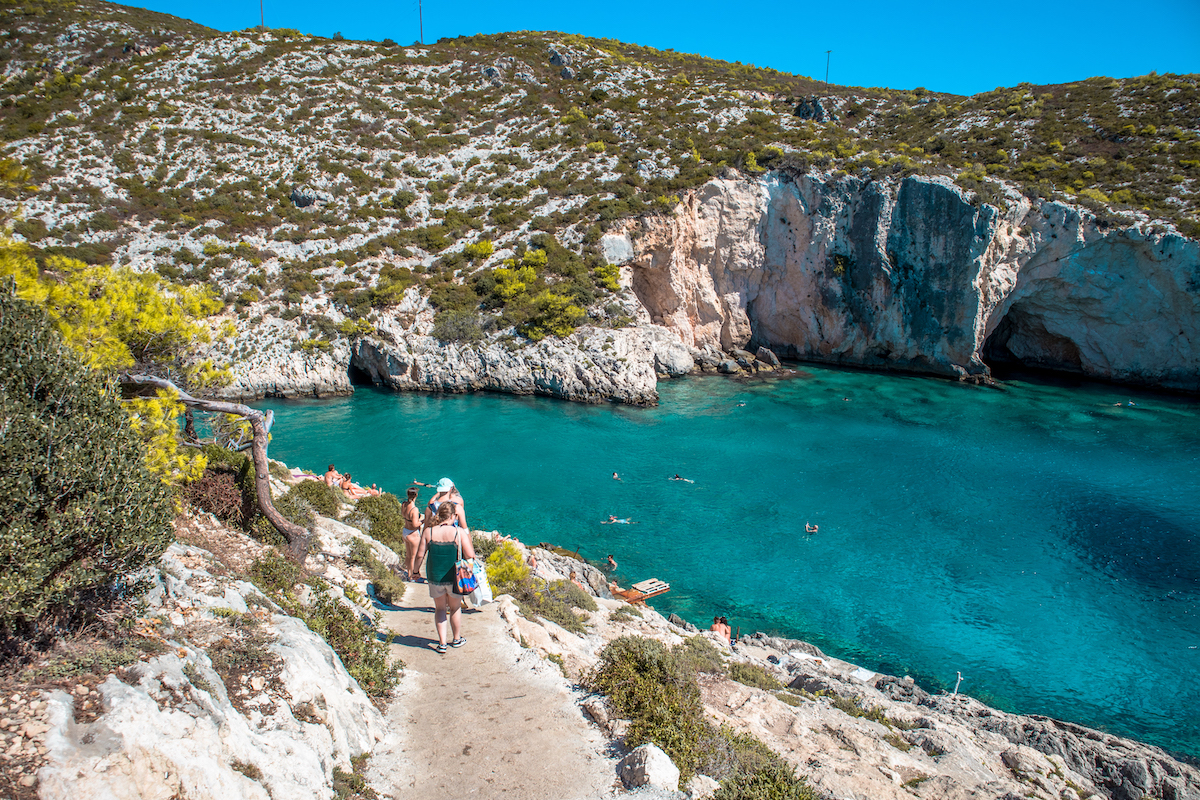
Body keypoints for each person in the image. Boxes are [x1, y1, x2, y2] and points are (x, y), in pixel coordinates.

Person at [412, 502, 475, 654]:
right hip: (454, 577)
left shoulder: (429, 532)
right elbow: (470, 555)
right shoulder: (458, 532)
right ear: (453, 516)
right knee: (455, 608)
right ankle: (456, 639)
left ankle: (442, 644)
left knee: (440, 609)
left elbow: (420, 555)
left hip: (435, 577)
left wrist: (415, 571)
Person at [401, 487, 425, 581]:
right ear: (416, 495)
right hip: (413, 533)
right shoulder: (414, 509)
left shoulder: (404, 504)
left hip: (405, 531)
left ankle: (408, 574)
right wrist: (423, 521)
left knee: (408, 555)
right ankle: (412, 577)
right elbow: (415, 524)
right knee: (413, 557)